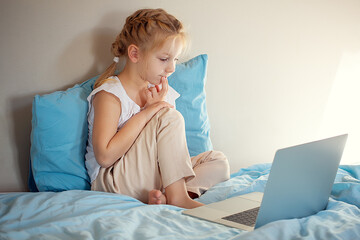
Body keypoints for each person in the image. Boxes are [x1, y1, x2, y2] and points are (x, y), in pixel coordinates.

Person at [85, 8, 230, 209]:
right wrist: (148, 112)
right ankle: (179, 199)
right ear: (135, 53)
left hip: (150, 177)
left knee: (218, 161)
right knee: (170, 116)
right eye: (164, 59)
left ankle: (168, 196)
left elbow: (170, 152)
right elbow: (105, 156)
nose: (171, 68)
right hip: (114, 181)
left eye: (175, 60)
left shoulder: (160, 92)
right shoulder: (110, 95)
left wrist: (158, 110)